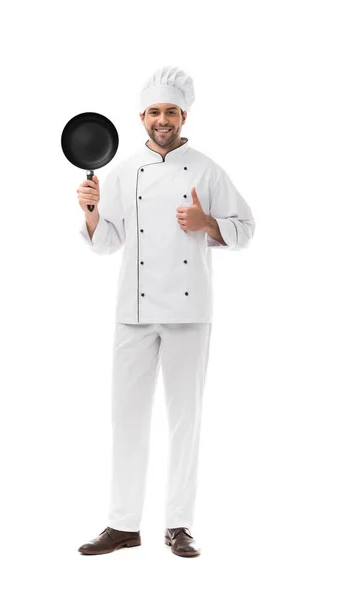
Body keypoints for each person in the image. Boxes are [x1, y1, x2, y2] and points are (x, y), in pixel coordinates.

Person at [76, 66, 256, 557]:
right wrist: (91, 212)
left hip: (188, 309)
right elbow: (106, 242)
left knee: (185, 419)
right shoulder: (123, 171)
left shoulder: (206, 169)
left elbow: (247, 227)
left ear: (183, 115)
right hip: (131, 310)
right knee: (126, 418)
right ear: (141, 117)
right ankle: (122, 525)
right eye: (154, 111)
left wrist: (207, 223)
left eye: (170, 111)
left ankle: (178, 524)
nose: (162, 119)